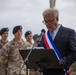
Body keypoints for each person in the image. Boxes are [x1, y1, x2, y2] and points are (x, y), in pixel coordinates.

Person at [38, 8, 76, 75]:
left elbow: (74, 53)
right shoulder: (44, 36)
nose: (47, 24)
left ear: (57, 19)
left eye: (50, 21)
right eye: (45, 21)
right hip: (46, 72)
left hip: (62, 71)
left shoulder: (69, 33)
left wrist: (62, 62)